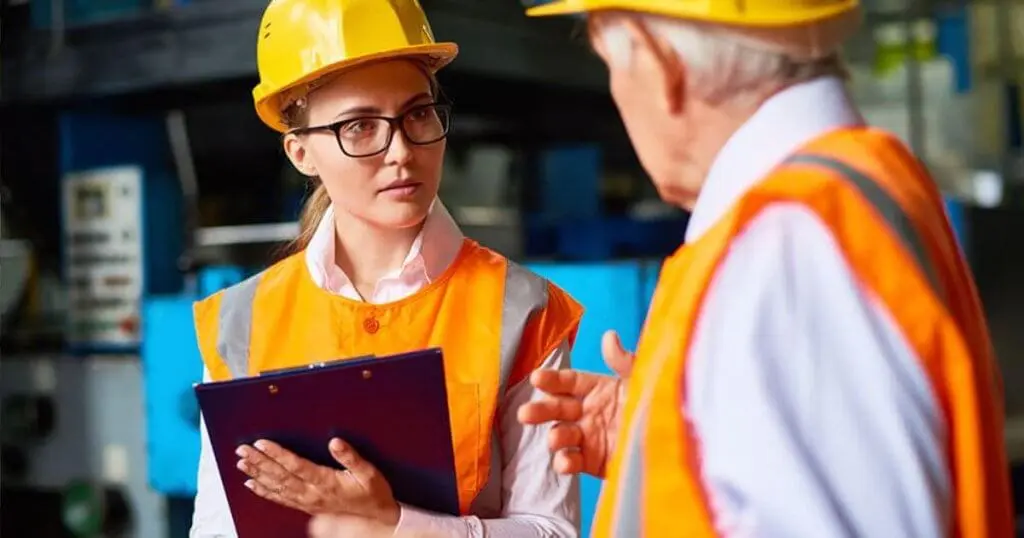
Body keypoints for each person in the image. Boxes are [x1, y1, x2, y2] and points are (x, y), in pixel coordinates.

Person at [516, 0, 1014, 537]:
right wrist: (670, 439)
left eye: (610, 63)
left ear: (661, 65)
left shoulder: (786, 250)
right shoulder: (859, 190)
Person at [188, 0, 584, 536]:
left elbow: (551, 530)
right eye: (359, 127)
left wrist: (395, 525)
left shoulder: (521, 310)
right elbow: (218, 529)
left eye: (418, 113)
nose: (400, 150)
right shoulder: (243, 322)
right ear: (300, 152)